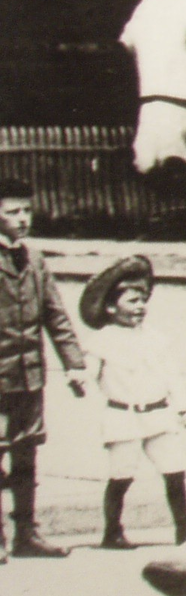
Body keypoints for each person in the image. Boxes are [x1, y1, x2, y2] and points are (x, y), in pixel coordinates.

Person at [0, 175, 88, 561]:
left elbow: (55, 315)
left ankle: (26, 533)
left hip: (30, 375)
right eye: (12, 212)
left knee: (27, 452)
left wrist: (74, 364)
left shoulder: (35, 260)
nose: (22, 219)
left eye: (26, 210)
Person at [79, 255, 186, 550]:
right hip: (123, 417)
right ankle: (112, 532)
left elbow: (172, 375)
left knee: (174, 470)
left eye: (143, 301)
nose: (140, 308)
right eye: (132, 301)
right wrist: (79, 378)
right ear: (110, 307)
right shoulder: (101, 340)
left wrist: (182, 406)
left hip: (158, 414)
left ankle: (184, 528)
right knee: (122, 475)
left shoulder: (157, 339)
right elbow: (88, 374)